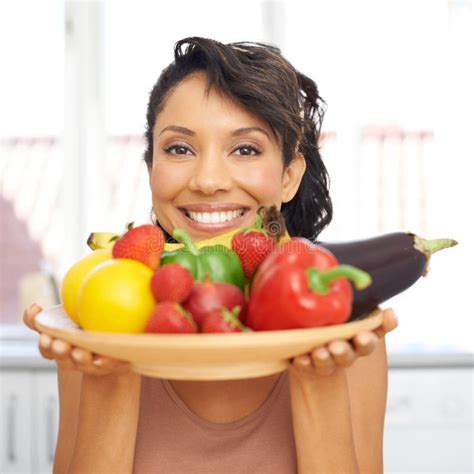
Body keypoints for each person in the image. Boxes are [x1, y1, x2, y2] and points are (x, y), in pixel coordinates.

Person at [24, 37, 398, 473]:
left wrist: (319, 382)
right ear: (151, 170)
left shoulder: (348, 332)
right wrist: (111, 376)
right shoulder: (94, 319)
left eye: (245, 149)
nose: (208, 180)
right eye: (180, 149)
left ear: (290, 176)